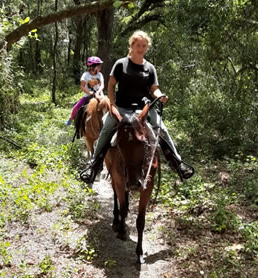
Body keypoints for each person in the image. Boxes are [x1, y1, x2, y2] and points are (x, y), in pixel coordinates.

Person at [80, 30, 194, 183]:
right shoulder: (121, 64)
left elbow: (154, 88)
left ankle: (177, 162)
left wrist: (160, 95)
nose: (141, 48)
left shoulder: (150, 68)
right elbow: (111, 86)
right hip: (121, 107)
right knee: (107, 128)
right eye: (138, 45)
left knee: (162, 129)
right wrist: (112, 106)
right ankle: (94, 165)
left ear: (147, 47)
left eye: (144, 46)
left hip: (144, 108)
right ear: (132, 46)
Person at [65, 56, 105, 125]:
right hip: (88, 95)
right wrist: (89, 92)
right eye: (98, 66)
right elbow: (82, 86)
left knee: (108, 105)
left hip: (99, 95)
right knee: (76, 107)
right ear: (92, 67)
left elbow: (102, 85)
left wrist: (98, 92)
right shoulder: (85, 75)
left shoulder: (100, 75)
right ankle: (70, 118)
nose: (99, 68)